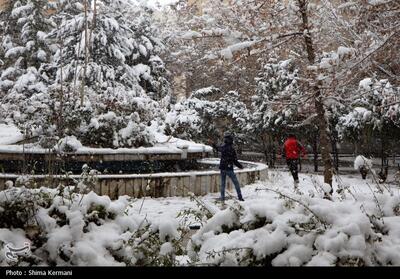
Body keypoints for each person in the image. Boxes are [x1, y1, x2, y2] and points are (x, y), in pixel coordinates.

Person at [211, 133, 244, 202]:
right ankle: (240, 197)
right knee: (236, 183)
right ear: (231, 140)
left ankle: (222, 198)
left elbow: (217, 148)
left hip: (222, 168)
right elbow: (235, 161)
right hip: (229, 169)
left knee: (223, 184)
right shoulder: (232, 149)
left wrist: (213, 144)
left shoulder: (223, 147)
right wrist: (240, 166)